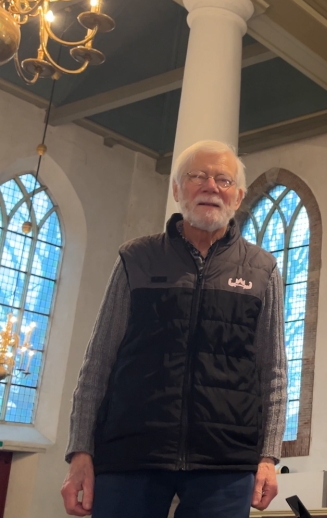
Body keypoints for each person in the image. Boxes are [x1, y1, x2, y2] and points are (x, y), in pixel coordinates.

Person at [60, 140, 287, 518]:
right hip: (131, 454)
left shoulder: (262, 269)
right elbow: (98, 360)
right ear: (177, 189)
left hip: (224, 463)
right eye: (197, 176)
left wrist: (268, 456)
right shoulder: (136, 257)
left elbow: (273, 372)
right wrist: (80, 450)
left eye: (223, 180)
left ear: (239, 196)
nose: (211, 186)